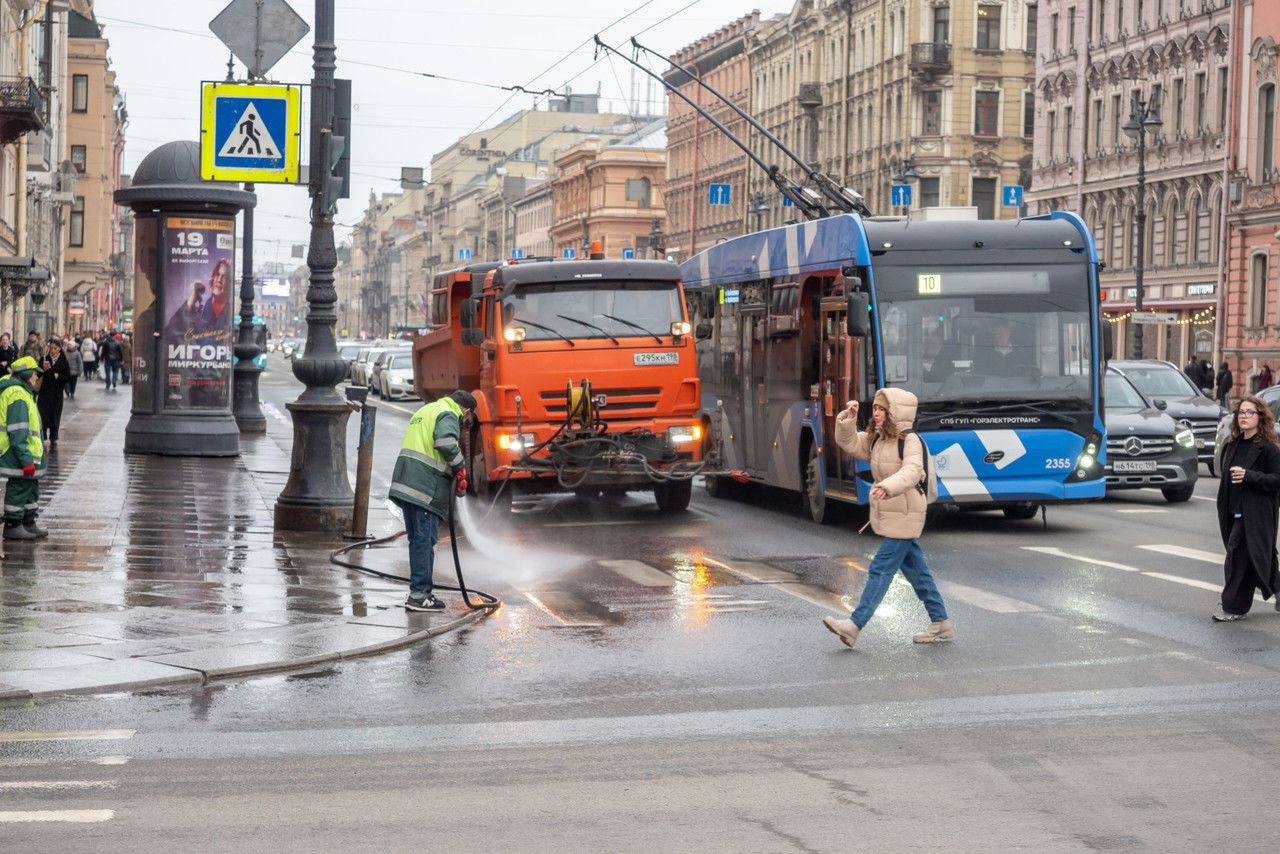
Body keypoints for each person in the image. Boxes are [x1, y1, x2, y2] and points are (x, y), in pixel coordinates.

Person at [821, 387, 953, 648]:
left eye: (882, 409)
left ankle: (854, 626)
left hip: (906, 511)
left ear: (895, 413)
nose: (877, 413)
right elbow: (850, 443)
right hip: (893, 510)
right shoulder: (878, 439)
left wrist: (887, 486)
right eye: (876, 409)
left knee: (880, 568)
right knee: (918, 573)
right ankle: (941, 623)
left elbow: (913, 471)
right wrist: (848, 418)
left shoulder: (910, 441)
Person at [388, 389, 476, 611]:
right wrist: (460, 467)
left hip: (406, 481)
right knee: (424, 541)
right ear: (466, 410)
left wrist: (452, 476)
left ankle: (421, 592)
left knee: (419, 540)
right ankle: (419, 596)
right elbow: (445, 443)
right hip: (422, 487)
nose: (465, 422)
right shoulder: (448, 413)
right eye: (468, 418)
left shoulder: (428, 409)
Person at [1213, 395, 1280, 621]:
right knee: (1259, 555)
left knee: (1235, 554)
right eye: (1241, 412)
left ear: (1260, 417)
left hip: (1256, 513)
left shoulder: (1269, 449)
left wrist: (1250, 476)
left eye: (1249, 412)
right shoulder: (1233, 444)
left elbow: (1276, 480)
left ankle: (1233, 606)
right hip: (1233, 510)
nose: (1244, 416)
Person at [0, 356, 47, 540]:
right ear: (27, 375)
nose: (37, 377)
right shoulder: (17, 395)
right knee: (19, 486)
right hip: (18, 454)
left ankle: (28, 521)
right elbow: (17, 432)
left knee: (30, 485)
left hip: (27, 454)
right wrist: (26, 459)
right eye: (35, 373)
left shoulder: (24, 392)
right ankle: (13, 524)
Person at [36, 339, 67, 448]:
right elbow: (39, 374)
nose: (52, 351)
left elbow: (68, 377)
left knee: (55, 414)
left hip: (57, 393)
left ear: (59, 349)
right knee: (43, 413)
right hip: (45, 391)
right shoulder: (44, 359)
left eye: (55, 348)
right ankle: (43, 434)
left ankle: (54, 436)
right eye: (51, 348)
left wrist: (59, 376)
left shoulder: (64, 361)